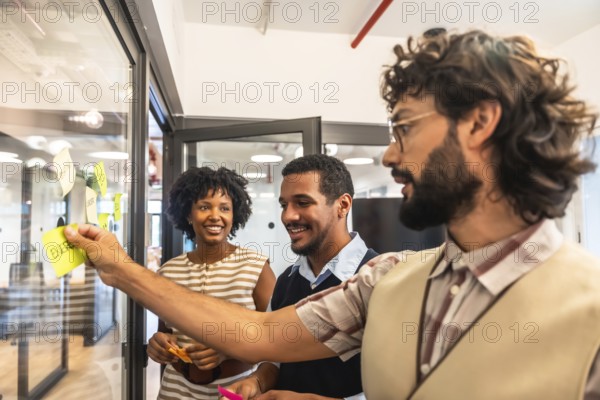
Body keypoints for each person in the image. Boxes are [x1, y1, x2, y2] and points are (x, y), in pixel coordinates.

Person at [64, 29, 600, 399]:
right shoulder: (386, 279)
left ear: (480, 122)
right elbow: (260, 336)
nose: (391, 156)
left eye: (406, 128)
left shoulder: (589, 313)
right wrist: (118, 269)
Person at [226, 154, 378, 400]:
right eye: (284, 204)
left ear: (343, 205)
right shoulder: (287, 279)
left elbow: (395, 387)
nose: (288, 216)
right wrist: (257, 382)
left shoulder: (377, 280)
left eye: (303, 203)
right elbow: (274, 359)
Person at [146, 166, 276, 399]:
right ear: (188, 214)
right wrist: (158, 344)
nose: (215, 216)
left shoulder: (256, 267)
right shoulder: (168, 271)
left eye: (224, 208)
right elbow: (165, 332)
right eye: (204, 207)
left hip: (234, 391)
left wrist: (228, 352)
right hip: (175, 391)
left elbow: (277, 341)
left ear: (234, 215)